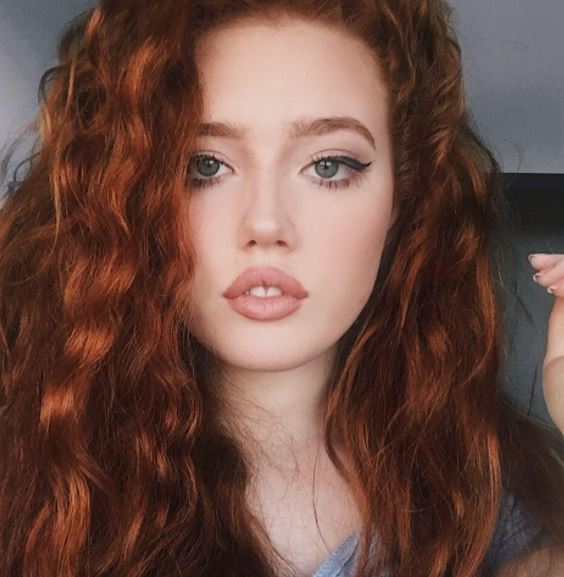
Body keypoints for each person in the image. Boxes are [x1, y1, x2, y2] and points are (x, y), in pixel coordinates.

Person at [0, 1, 562, 576]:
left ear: (402, 197)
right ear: (126, 196)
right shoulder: (28, 480)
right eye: (204, 166)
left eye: (328, 166)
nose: (266, 224)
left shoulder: (481, 488)